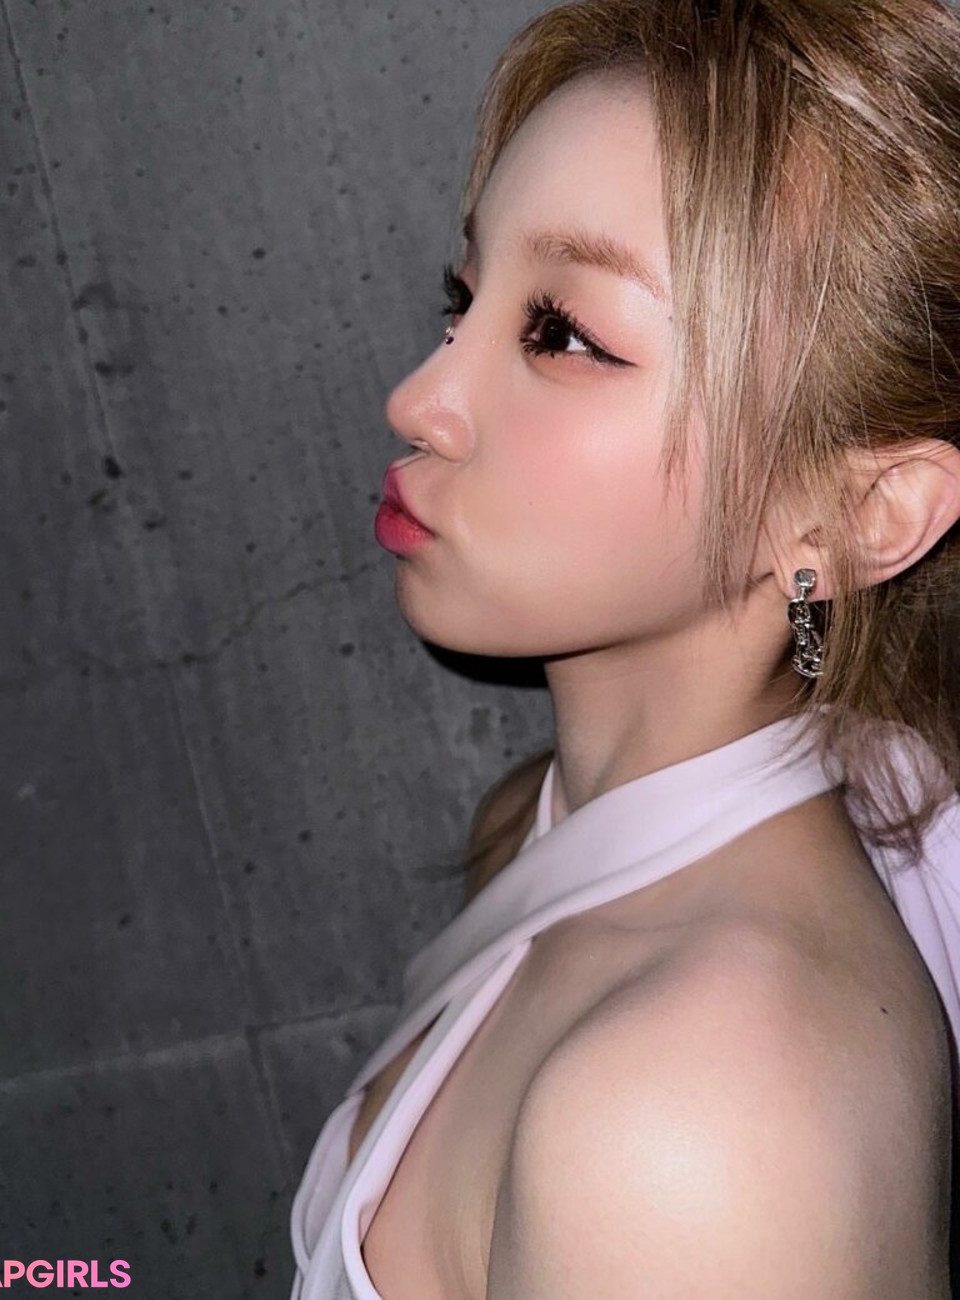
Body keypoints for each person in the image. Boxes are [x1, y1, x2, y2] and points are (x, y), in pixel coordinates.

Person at [290, 1, 960, 1295]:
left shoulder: (699, 1112)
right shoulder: (543, 832)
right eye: (465, 298)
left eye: (565, 335)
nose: (419, 399)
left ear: (860, 515)